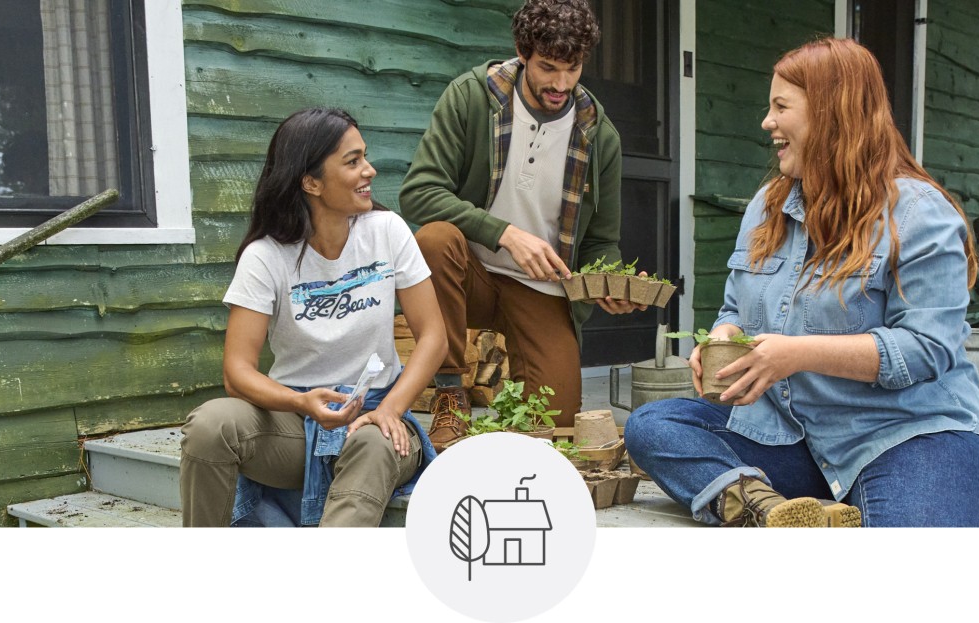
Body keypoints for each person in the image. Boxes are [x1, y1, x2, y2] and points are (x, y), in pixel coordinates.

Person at [624, 38, 979, 528]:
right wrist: (723, 339)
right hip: (789, 437)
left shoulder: (917, 213)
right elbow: (734, 311)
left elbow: (929, 347)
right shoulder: (766, 208)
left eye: (781, 107)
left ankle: (765, 505)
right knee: (654, 424)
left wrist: (796, 354)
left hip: (908, 436)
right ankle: (772, 510)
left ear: (832, 113)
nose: (767, 122)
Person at [179, 108, 446, 527]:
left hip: (375, 415)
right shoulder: (265, 257)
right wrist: (300, 402)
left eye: (365, 157)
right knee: (211, 424)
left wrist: (391, 409)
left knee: (375, 444)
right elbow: (236, 372)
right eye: (353, 161)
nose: (369, 171)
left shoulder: (387, 231)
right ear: (311, 182)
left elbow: (433, 336)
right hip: (294, 422)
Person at [400, 0, 643, 451]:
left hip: (543, 288)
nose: (561, 83)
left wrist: (609, 283)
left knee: (555, 423)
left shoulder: (598, 135)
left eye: (573, 69)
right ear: (521, 51)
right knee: (433, 239)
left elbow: (601, 240)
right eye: (548, 67)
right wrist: (505, 234)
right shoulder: (472, 96)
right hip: (468, 269)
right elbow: (418, 193)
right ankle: (450, 394)